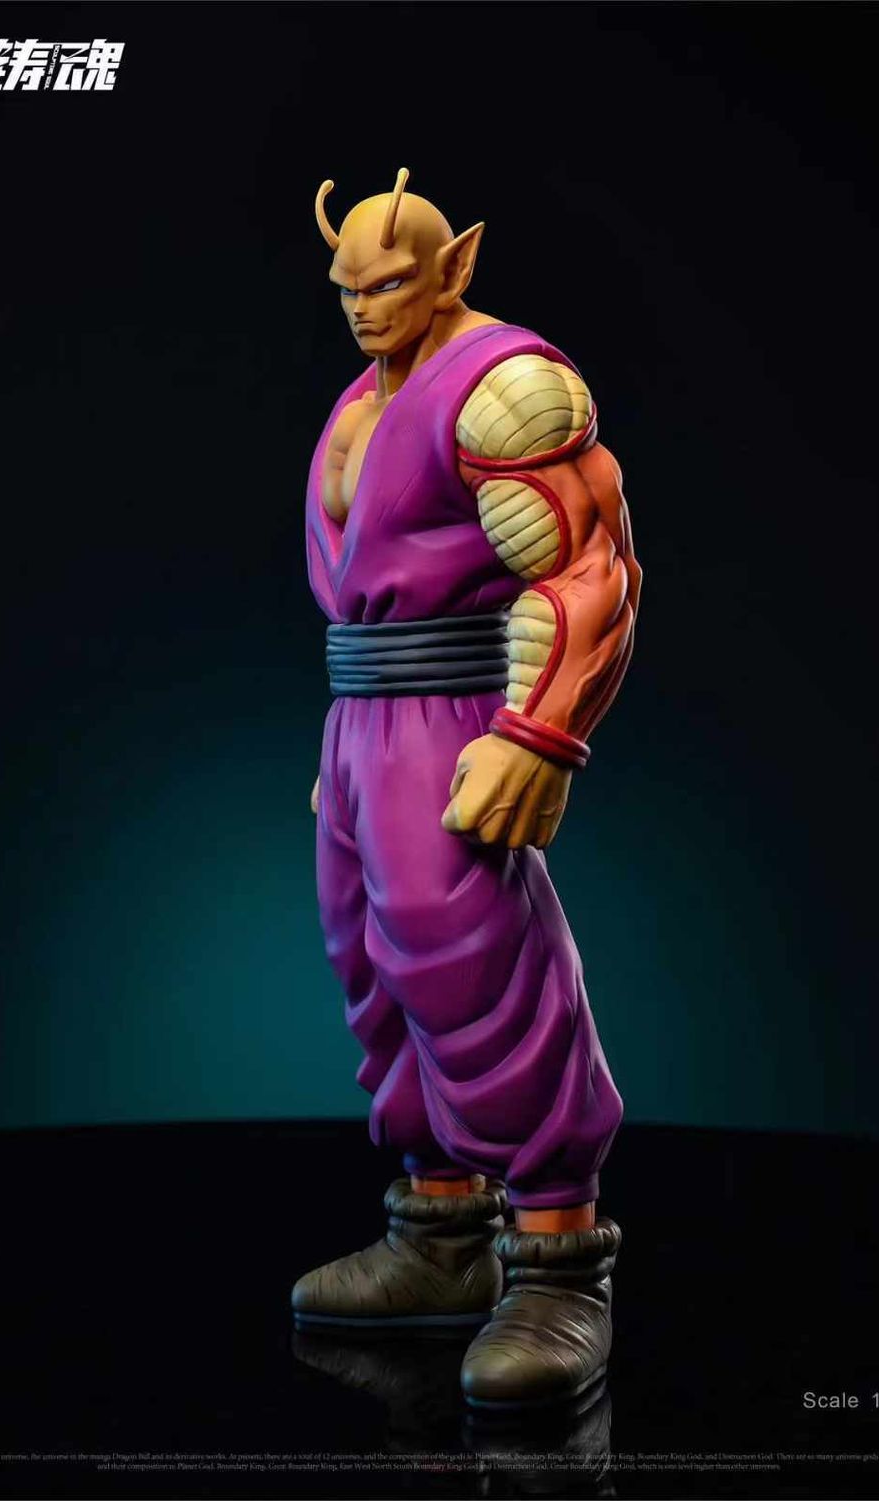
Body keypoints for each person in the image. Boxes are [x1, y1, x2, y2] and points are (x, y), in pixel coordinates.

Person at [294, 169, 642, 1409]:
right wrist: (350, 746)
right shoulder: (364, 394)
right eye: (347, 287)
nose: (363, 306)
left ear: (456, 266)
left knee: (473, 964)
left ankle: (556, 1261)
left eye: (389, 283)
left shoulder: (502, 387)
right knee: (377, 967)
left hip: (450, 714)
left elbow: (587, 565)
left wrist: (535, 732)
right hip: (360, 717)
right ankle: (440, 1236)